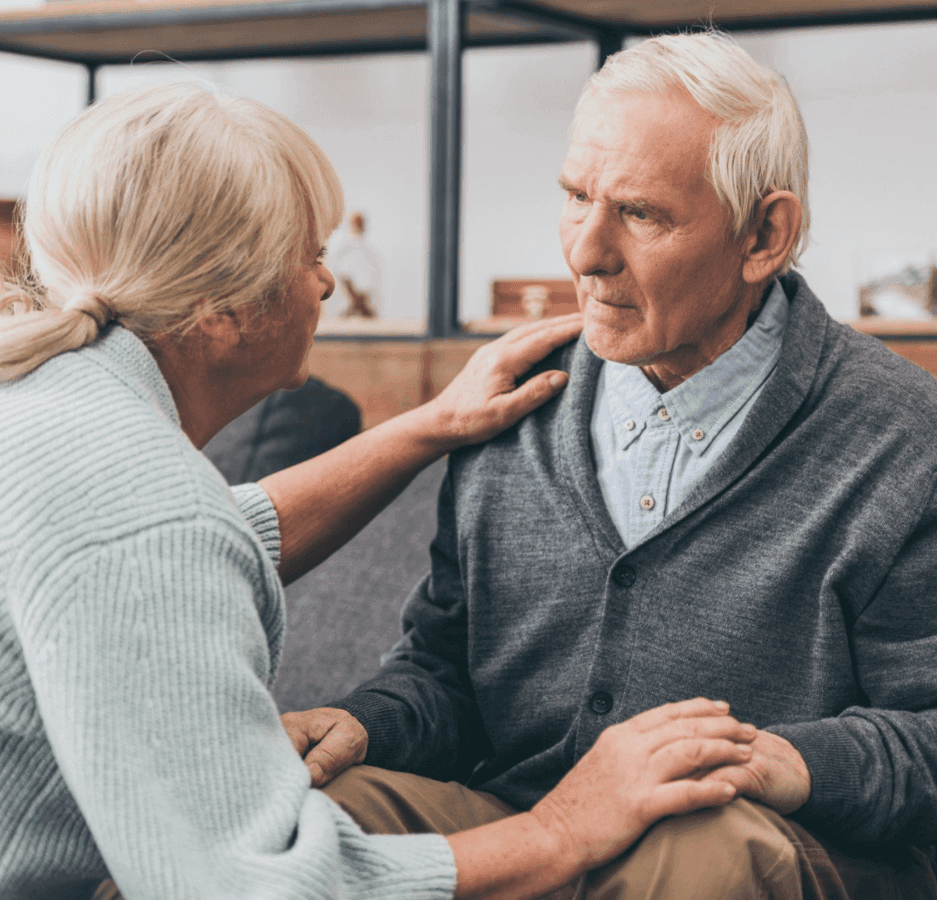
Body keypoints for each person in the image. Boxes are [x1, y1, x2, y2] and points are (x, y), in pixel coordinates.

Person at [0, 82, 761, 900]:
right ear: (220, 310)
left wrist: (429, 425)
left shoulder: (13, 399)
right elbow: (253, 890)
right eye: (311, 256)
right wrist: (562, 829)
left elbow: (207, 538)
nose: (328, 285)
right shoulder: (145, 516)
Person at [284, 32, 937, 899]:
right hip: (524, 824)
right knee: (315, 817)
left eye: (640, 213)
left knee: (702, 843)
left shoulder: (901, 435)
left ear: (764, 235)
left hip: (762, 842)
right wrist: (362, 725)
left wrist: (785, 760)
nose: (585, 254)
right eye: (575, 196)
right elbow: (445, 674)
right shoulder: (512, 399)